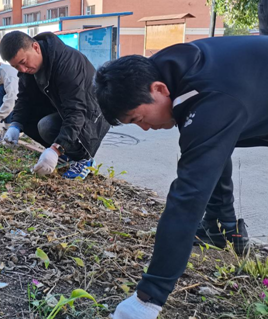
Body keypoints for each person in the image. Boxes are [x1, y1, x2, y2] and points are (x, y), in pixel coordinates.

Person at [94, 35, 268, 318]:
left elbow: (188, 197)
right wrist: (221, 223)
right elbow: (211, 153)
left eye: (139, 119)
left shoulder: (211, 99)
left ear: (158, 89)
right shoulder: (164, 70)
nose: (146, 129)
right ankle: (220, 228)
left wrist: (148, 298)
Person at [0, 31, 110, 180]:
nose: (23, 70)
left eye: (23, 62)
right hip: (65, 109)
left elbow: (76, 111)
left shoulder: (67, 63)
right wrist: (15, 124)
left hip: (91, 115)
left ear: (36, 47)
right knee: (24, 119)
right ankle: (67, 156)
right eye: (17, 67)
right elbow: (24, 98)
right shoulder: (30, 68)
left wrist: (56, 149)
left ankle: (84, 159)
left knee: (47, 126)